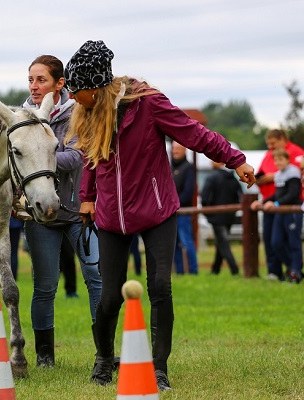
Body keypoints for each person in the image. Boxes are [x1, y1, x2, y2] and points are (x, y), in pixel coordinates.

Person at [64, 40, 256, 390]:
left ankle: (158, 368)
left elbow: (193, 133)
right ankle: (104, 360)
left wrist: (235, 159)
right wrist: (87, 197)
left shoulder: (150, 103)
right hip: (111, 217)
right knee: (110, 297)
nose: (74, 98)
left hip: (156, 211)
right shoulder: (90, 112)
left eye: (78, 91)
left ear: (97, 87)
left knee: (160, 287)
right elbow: (92, 156)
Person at [22, 54, 102, 367]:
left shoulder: (78, 113)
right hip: (40, 214)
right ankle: (44, 358)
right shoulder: (24, 116)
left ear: (60, 83)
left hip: (79, 210)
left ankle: (104, 351)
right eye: (30, 79)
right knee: (44, 286)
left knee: (96, 277)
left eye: (41, 79)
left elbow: (76, 157)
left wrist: (38, 157)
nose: (34, 86)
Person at [253, 129, 304, 280]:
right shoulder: (270, 156)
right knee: (273, 241)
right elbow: (265, 174)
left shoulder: (296, 155)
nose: (270, 147)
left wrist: (274, 178)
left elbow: (294, 186)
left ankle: (295, 270)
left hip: (289, 207)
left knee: (291, 241)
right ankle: (279, 270)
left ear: (282, 139)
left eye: (273, 143)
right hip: (274, 204)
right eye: (268, 144)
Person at [201, 161, 242, 275]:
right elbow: (240, 195)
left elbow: (204, 197)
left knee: (223, 243)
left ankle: (234, 269)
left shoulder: (212, 177)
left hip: (216, 216)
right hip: (230, 216)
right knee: (221, 242)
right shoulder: (233, 178)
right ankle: (215, 269)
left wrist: (208, 213)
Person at [171, 141, 199, 275]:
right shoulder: (170, 167)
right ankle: (180, 271)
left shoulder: (188, 168)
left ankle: (193, 271)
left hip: (183, 212)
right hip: (171, 213)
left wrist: (174, 204)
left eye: (178, 148)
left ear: (185, 150)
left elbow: (188, 192)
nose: (175, 151)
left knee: (186, 242)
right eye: (174, 148)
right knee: (174, 243)